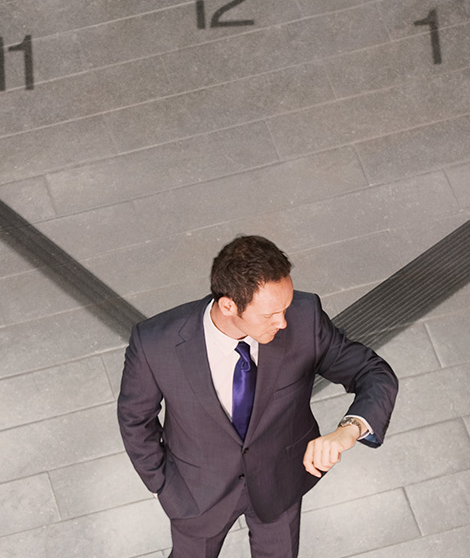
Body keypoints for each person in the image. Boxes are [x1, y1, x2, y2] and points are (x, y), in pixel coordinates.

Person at [117, 235, 398, 557]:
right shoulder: (155, 342)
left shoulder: (304, 319)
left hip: (280, 483)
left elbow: (374, 373)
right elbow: (135, 419)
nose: (283, 322)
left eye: (286, 307)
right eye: (269, 315)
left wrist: (349, 429)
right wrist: (162, 485)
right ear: (228, 305)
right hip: (196, 492)